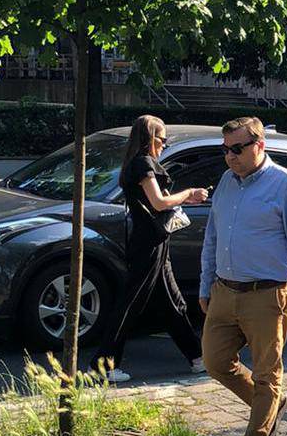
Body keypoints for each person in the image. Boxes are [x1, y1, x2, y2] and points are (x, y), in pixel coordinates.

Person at [199, 117, 287, 436]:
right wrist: (207, 283)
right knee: (214, 360)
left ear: (259, 145)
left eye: (236, 149)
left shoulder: (285, 184)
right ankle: (271, 406)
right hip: (225, 290)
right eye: (225, 150)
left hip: (267, 294)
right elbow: (212, 236)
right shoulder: (227, 182)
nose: (229, 157)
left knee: (267, 374)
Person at [89, 115, 208, 383]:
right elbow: (159, 202)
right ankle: (102, 365)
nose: (165, 144)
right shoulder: (143, 163)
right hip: (148, 242)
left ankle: (197, 357)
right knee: (130, 303)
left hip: (154, 240)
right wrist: (189, 194)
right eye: (162, 139)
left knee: (172, 302)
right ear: (149, 138)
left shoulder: (139, 163)